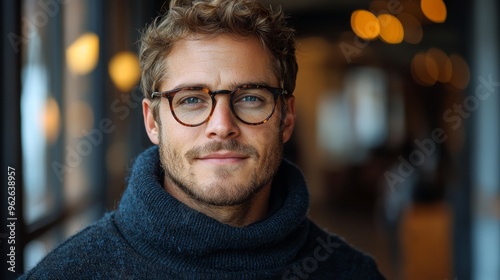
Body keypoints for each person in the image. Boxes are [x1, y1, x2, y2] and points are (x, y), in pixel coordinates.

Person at [21, 0, 385, 278]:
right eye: (192, 100)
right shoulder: (68, 273)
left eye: (250, 98)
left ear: (286, 118)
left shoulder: (352, 272)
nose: (222, 125)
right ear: (152, 121)